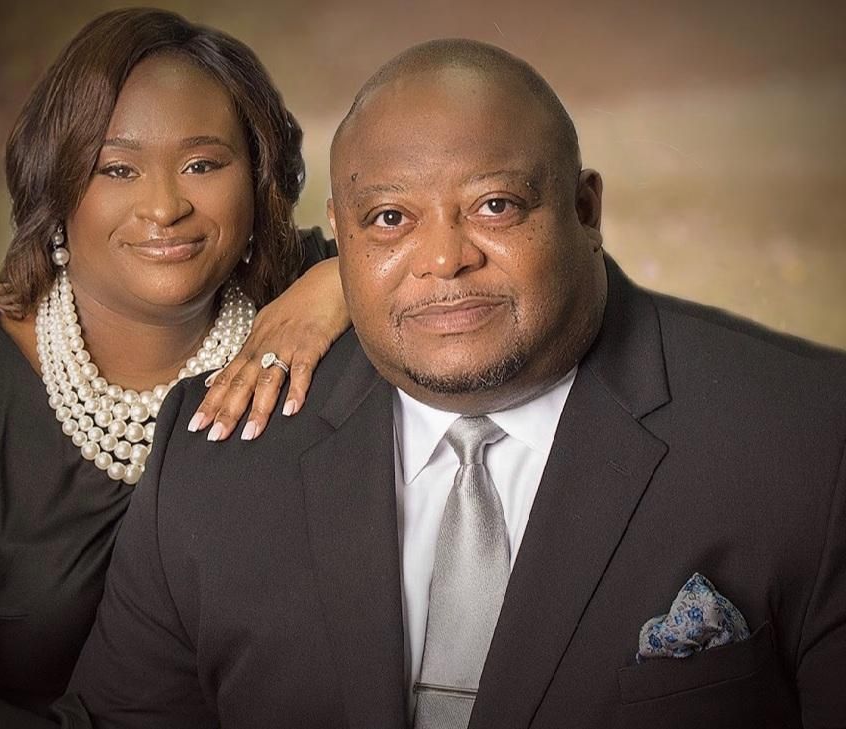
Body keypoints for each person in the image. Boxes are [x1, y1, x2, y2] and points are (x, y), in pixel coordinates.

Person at [56, 39, 846, 729]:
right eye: (391, 220)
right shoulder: (217, 460)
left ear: (585, 207)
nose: (444, 258)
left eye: (494, 206)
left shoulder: (808, 440)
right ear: (340, 233)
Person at [0, 9, 352, 728]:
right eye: (117, 168)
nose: (164, 206)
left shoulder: (302, 298)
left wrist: (341, 284)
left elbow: (472, 260)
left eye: (203, 163)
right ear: (58, 187)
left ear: (257, 180)